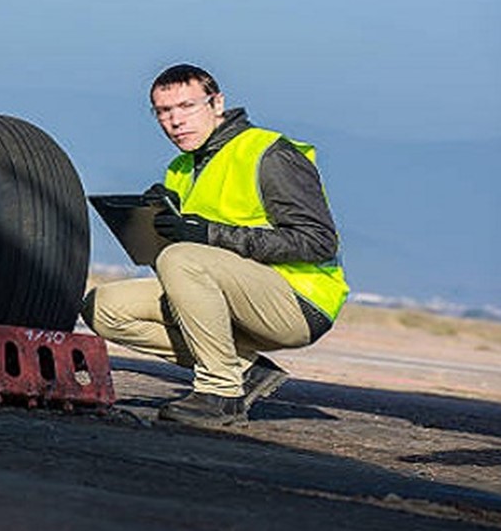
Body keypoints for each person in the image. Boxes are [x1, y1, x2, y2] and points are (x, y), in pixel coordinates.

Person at [84, 63, 348, 427]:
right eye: (164, 111)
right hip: (229, 297)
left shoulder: (268, 154)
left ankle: (221, 395)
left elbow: (318, 242)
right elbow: (187, 260)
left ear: (217, 103)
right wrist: (153, 225)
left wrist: (207, 234)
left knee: (182, 257)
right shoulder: (181, 167)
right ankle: (244, 370)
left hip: (297, 301)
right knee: (103, 307)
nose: (175, 121)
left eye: (187, 107)